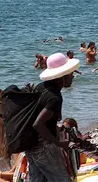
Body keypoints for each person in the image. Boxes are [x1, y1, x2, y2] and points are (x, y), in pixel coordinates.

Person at [28, 52, 80, 182]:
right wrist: (59, 143)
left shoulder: (40, 88)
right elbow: (38, 124)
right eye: (70, 73)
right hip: (44, 147)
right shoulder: (54, 97)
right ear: (62, 76)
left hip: (30, 144)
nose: (72, 76)